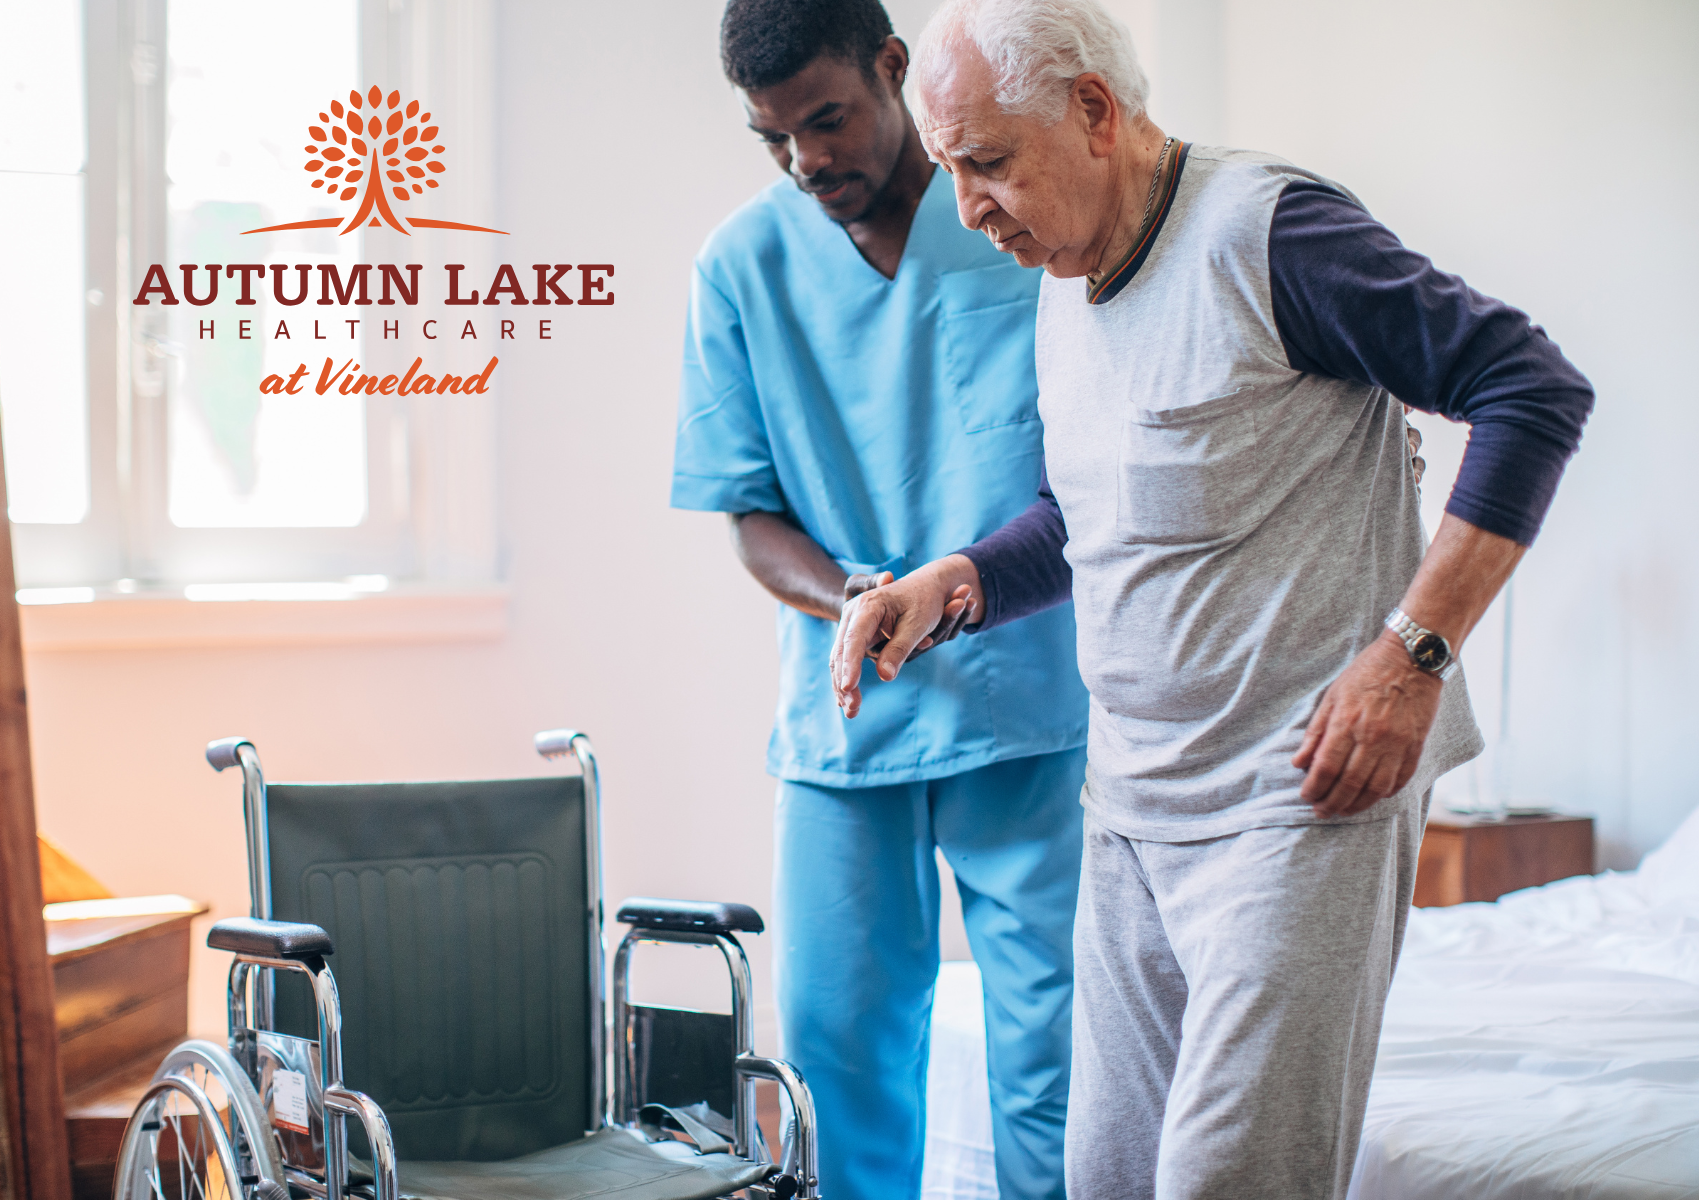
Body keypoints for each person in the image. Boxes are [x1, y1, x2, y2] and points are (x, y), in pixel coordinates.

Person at [830, 1, 1594, 1197]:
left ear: (1092, 110)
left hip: (1297, 800)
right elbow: (1088, 520)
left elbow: (1531, 390)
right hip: (1132, 809)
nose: (969, 210)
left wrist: (1413, 653)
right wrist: (958, 582)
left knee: (1224, 1182)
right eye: (953, 170)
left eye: (988, 164)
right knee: (1112, 1177)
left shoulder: (1271, 234)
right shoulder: (1061, 278)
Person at [671, 1, 1092, 1196]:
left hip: (1023, 706)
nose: (808, 160)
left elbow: (1087, 475)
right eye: (774, 138)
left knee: (1051, 1064)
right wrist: (860, 593)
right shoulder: (741, 267)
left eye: (827, 119)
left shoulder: (1013, 229)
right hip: (846, 719)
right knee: (841, 1064)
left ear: (893, 70)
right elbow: (749, 514)